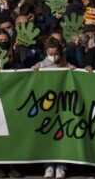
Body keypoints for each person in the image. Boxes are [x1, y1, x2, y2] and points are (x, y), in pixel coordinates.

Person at [33, 38, 70, 179]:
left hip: (63, 106)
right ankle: (48, 165)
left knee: (62, 135)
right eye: (51, 54)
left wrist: (72, 70)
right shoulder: (41, 64)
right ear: (46, 52)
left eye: (56, 54)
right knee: (48, 135)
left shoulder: (65, 64)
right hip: (46, 107)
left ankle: (61, 165)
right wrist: (34, 70)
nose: (53, 57)